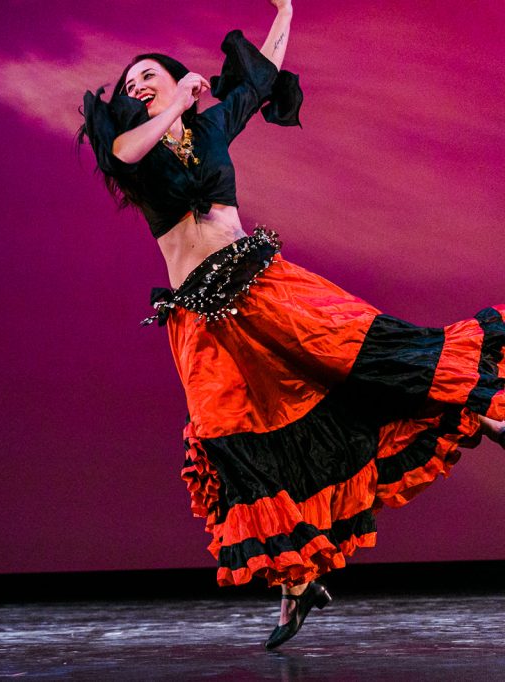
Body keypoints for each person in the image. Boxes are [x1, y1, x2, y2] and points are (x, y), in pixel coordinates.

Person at [78, 0, 503, 650]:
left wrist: (286, 9)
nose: (135, 85)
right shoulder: (132, 147)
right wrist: (177, 100)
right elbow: (126, 149)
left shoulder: (210, 129)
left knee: (364, 358)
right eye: (130, 82)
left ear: (177, 75)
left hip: (262, 287)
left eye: (148, 75)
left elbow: (261, 79)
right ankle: (298, 578)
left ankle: (487, 408)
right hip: (203, 322)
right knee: (237, 442)